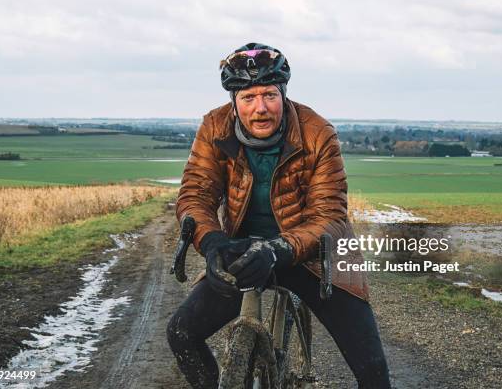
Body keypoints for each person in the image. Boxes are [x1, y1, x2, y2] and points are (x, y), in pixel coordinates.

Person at [167, 43, 391, 389]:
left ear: (283, 94)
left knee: (374, 372)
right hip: (242, 249)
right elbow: (196, 194)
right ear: (234, 102)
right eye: (248, 97)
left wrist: (279, 249)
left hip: (312, 257)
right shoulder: (214, 127)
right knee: (181, 332)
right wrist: (212, 243)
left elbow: (329, 215)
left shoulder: (318, 133)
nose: (260, 108)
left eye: (269, 95)